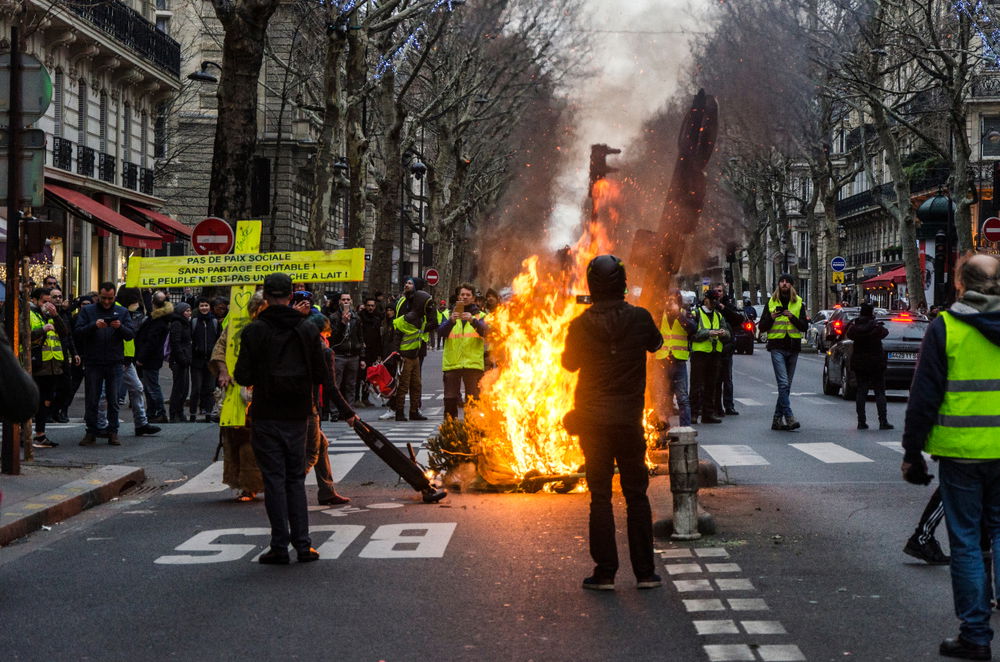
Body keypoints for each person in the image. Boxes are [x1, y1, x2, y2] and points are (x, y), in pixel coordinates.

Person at [902, 253, 1000, 660]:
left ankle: (975, 635)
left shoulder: (947, 327)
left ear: (960, 283)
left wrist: (912, 452)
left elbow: (924, 396)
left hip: (961, 454)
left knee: (964, 543)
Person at [234, 273, 358, 564]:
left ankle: (279, 545)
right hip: (298, 413)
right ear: (291, 295)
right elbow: (323, 376)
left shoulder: (255, 331)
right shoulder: (306, 330)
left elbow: (243, 375)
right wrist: (344, 410)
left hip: (266, 412)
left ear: (266, 295)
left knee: (274, 479)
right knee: (294, 480)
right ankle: (303, 545)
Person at [562, 255, 663, 591]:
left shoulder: (580, 324)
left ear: (591, 285)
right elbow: (657, 344)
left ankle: (605, 572)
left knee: (600, 496)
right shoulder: (640, 318)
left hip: (593, 422)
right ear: (622, 283)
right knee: (636, 495)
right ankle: (645, 573)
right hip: (628, 420)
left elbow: (569, 364)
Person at [211, 291, 264, 502]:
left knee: (257, 439)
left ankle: (259, 482)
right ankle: (244, 484)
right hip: (236, 388)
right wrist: (223, 371)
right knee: (236, 437)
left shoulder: (270, 325)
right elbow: (220, 348)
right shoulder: (234, 321)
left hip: (262, 389)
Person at [74, 282, 135, 446]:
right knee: (92, 399)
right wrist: (94, 326)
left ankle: (113, 432)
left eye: (110, 298)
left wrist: (120, 327)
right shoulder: (88, 311)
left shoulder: (122, 312)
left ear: (114, 296)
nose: (107, 302)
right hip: (94, 362)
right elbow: (78, 332)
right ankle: (91, 431)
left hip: (114, 362)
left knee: (113, 399)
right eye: (103, 298)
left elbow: (130, 334)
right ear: (98, 297)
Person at [305, 312, 354, 505]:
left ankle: (326, 490)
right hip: (309, 407)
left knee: (321, 445)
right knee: (310, 453)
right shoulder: (324, 351)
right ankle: (285, 489)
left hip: (293, 405)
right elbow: (330, 385)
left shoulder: (300, 347)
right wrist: (348, 413)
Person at [97, 287, 159, 438]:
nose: (137, 303)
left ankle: (141, 423)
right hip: (116, 358)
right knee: (107, 393)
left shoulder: (124, 312)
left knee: (136, 388)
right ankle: (101, 424)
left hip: (125, 358)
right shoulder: (119, 312)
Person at [757, 274, 808, 431]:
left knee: (786, 386)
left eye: (787, 282)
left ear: (792, 285)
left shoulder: (799, 302)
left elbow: (804, 327)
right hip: (777, 346)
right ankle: (789, 416)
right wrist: (772, 317)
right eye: (782, 281)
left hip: (793, 347)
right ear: (778, 284)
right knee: (784, 383)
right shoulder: (771, 302)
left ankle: (776, 420)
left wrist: (791, 316)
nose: (784, 284)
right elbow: (762, 327)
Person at [390, 276, 438, 421]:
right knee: (404, 385)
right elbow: (398, 333)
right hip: (405, 355)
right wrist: (396, 351)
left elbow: (432, 321)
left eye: (410, 283)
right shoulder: (407, 316)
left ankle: (413, 410)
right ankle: (399, 411)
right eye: (406, 282)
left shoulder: (416, 314)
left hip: (415, 354)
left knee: (416, 384)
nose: (406, 285)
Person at [439, 283, 488, 419]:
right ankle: (450, 430)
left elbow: (487, 333)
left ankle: (471, 431)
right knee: (450, 399)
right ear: (458, 297)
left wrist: (473, 321)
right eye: (462, 294)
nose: (465, 297)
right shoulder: (447, 314)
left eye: (468, 295)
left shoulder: (481, 315)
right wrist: (451, 321)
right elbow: (441, 332)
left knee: (473, 401)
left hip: (473, 364)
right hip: (452, 364)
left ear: (473, 298)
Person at [845, 302, 893, 430]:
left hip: (860, 362)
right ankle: (883, 421)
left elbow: (849, 334)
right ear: (872, 312)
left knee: (861, 391)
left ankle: (861, 421)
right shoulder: (876, 326)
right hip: (876, 362)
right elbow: (885, 333)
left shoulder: (855, 327)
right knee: (880, 392)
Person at [28, 287, 66, 448]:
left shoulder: (51, 316)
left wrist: (56, 315)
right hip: (36, 364)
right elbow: (22, 335)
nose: (48, 305)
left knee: (46, 401)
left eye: (49, 302)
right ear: (35, 300)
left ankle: (40, 435)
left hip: (52, 365)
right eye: (44, 302)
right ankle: (28, 434)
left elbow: (65, 333)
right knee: (33, 401)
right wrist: (41, 330)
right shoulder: (29, 314)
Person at [653, 290, 696, 427]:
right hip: (662, 361)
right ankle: (662, 429)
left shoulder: (686, 314)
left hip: (679, 361)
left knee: (682, 398)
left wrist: (678, 315)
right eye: (668, 300)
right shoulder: (660, 315)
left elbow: (693, 328)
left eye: (673, 300)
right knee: (662, 398)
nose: (670, 303)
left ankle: (685, 430)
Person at [689, 290, 729, 425]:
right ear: (705, 300)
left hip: (714, 353)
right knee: (697, 385)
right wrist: (709, 333)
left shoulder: (718, 315)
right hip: (699, 353)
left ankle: (708, 413)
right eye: (711, 301)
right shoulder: (696, 314)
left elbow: (728, 333)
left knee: (711, 385)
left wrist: (723, 333)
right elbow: (692, 334)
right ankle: (693, 414)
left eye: (715, 301)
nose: (713, 304)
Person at [134, 292, 172, 424]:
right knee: (150, 386)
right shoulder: (160, 319)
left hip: (150, 358)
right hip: (152, 358)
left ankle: (160, 412)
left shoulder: (157, 321)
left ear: (153, 303)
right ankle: (152, 412)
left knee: (152, 387)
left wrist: (141, 358)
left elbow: (151, 342)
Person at [329, 292, 365, 412]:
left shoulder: (356, 318)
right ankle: (334, 411)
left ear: (351, 301)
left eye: (348, 299)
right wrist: (342, 323)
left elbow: (360, 338)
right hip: (339, 354)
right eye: (343, 299)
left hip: (353, 355)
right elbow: (333, 337)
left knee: (351, 385)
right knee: (337, 384)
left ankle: (349, 410)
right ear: (339, 301)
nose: (346, 302)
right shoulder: (334, 317)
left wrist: (362, 356)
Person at [190, 297, 221, 422]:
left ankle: (208, 413)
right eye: (202, 306)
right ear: (198, 307)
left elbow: (219, 339)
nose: (204, 308)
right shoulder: (194, 321)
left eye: (206, 305)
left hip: (211, 360)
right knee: (196, 388)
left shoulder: (214, 322)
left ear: (210, 307)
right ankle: (193, 413)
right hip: (196, 360)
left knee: (210, 388)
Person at [715, 289, 743, 417]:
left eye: (720, 291)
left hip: (726, 347)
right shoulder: (706, 307)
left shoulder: (728, 306)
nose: (718, 294)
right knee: (714, 379)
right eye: (715, 291)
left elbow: (738, 319)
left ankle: (728, 405)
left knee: (727, 379)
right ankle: (715, 406)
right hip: (712, 348)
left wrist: (723, 308)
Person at [167, 302, 193, 423]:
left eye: (189, 310)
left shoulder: (185, 323)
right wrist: (182, 358)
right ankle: (174, 413)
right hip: (179, 361)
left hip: (185, 359)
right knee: (178, 388)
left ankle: (179, 411)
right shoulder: (177, 323)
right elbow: (175, 342)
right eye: (186, 311)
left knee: (184, 388)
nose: (189, 313)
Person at [357, 296, 381, 408]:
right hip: (362, 351)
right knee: (359, 376)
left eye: (372, 306)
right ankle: (357, 398)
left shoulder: (376, 319)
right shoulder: (359, 318)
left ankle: (365, 398)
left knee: (368, 376)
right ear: (365, 306)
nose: (370, 308)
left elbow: (377, 337)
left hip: (372, 351)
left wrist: (378, 353)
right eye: (369, 306)